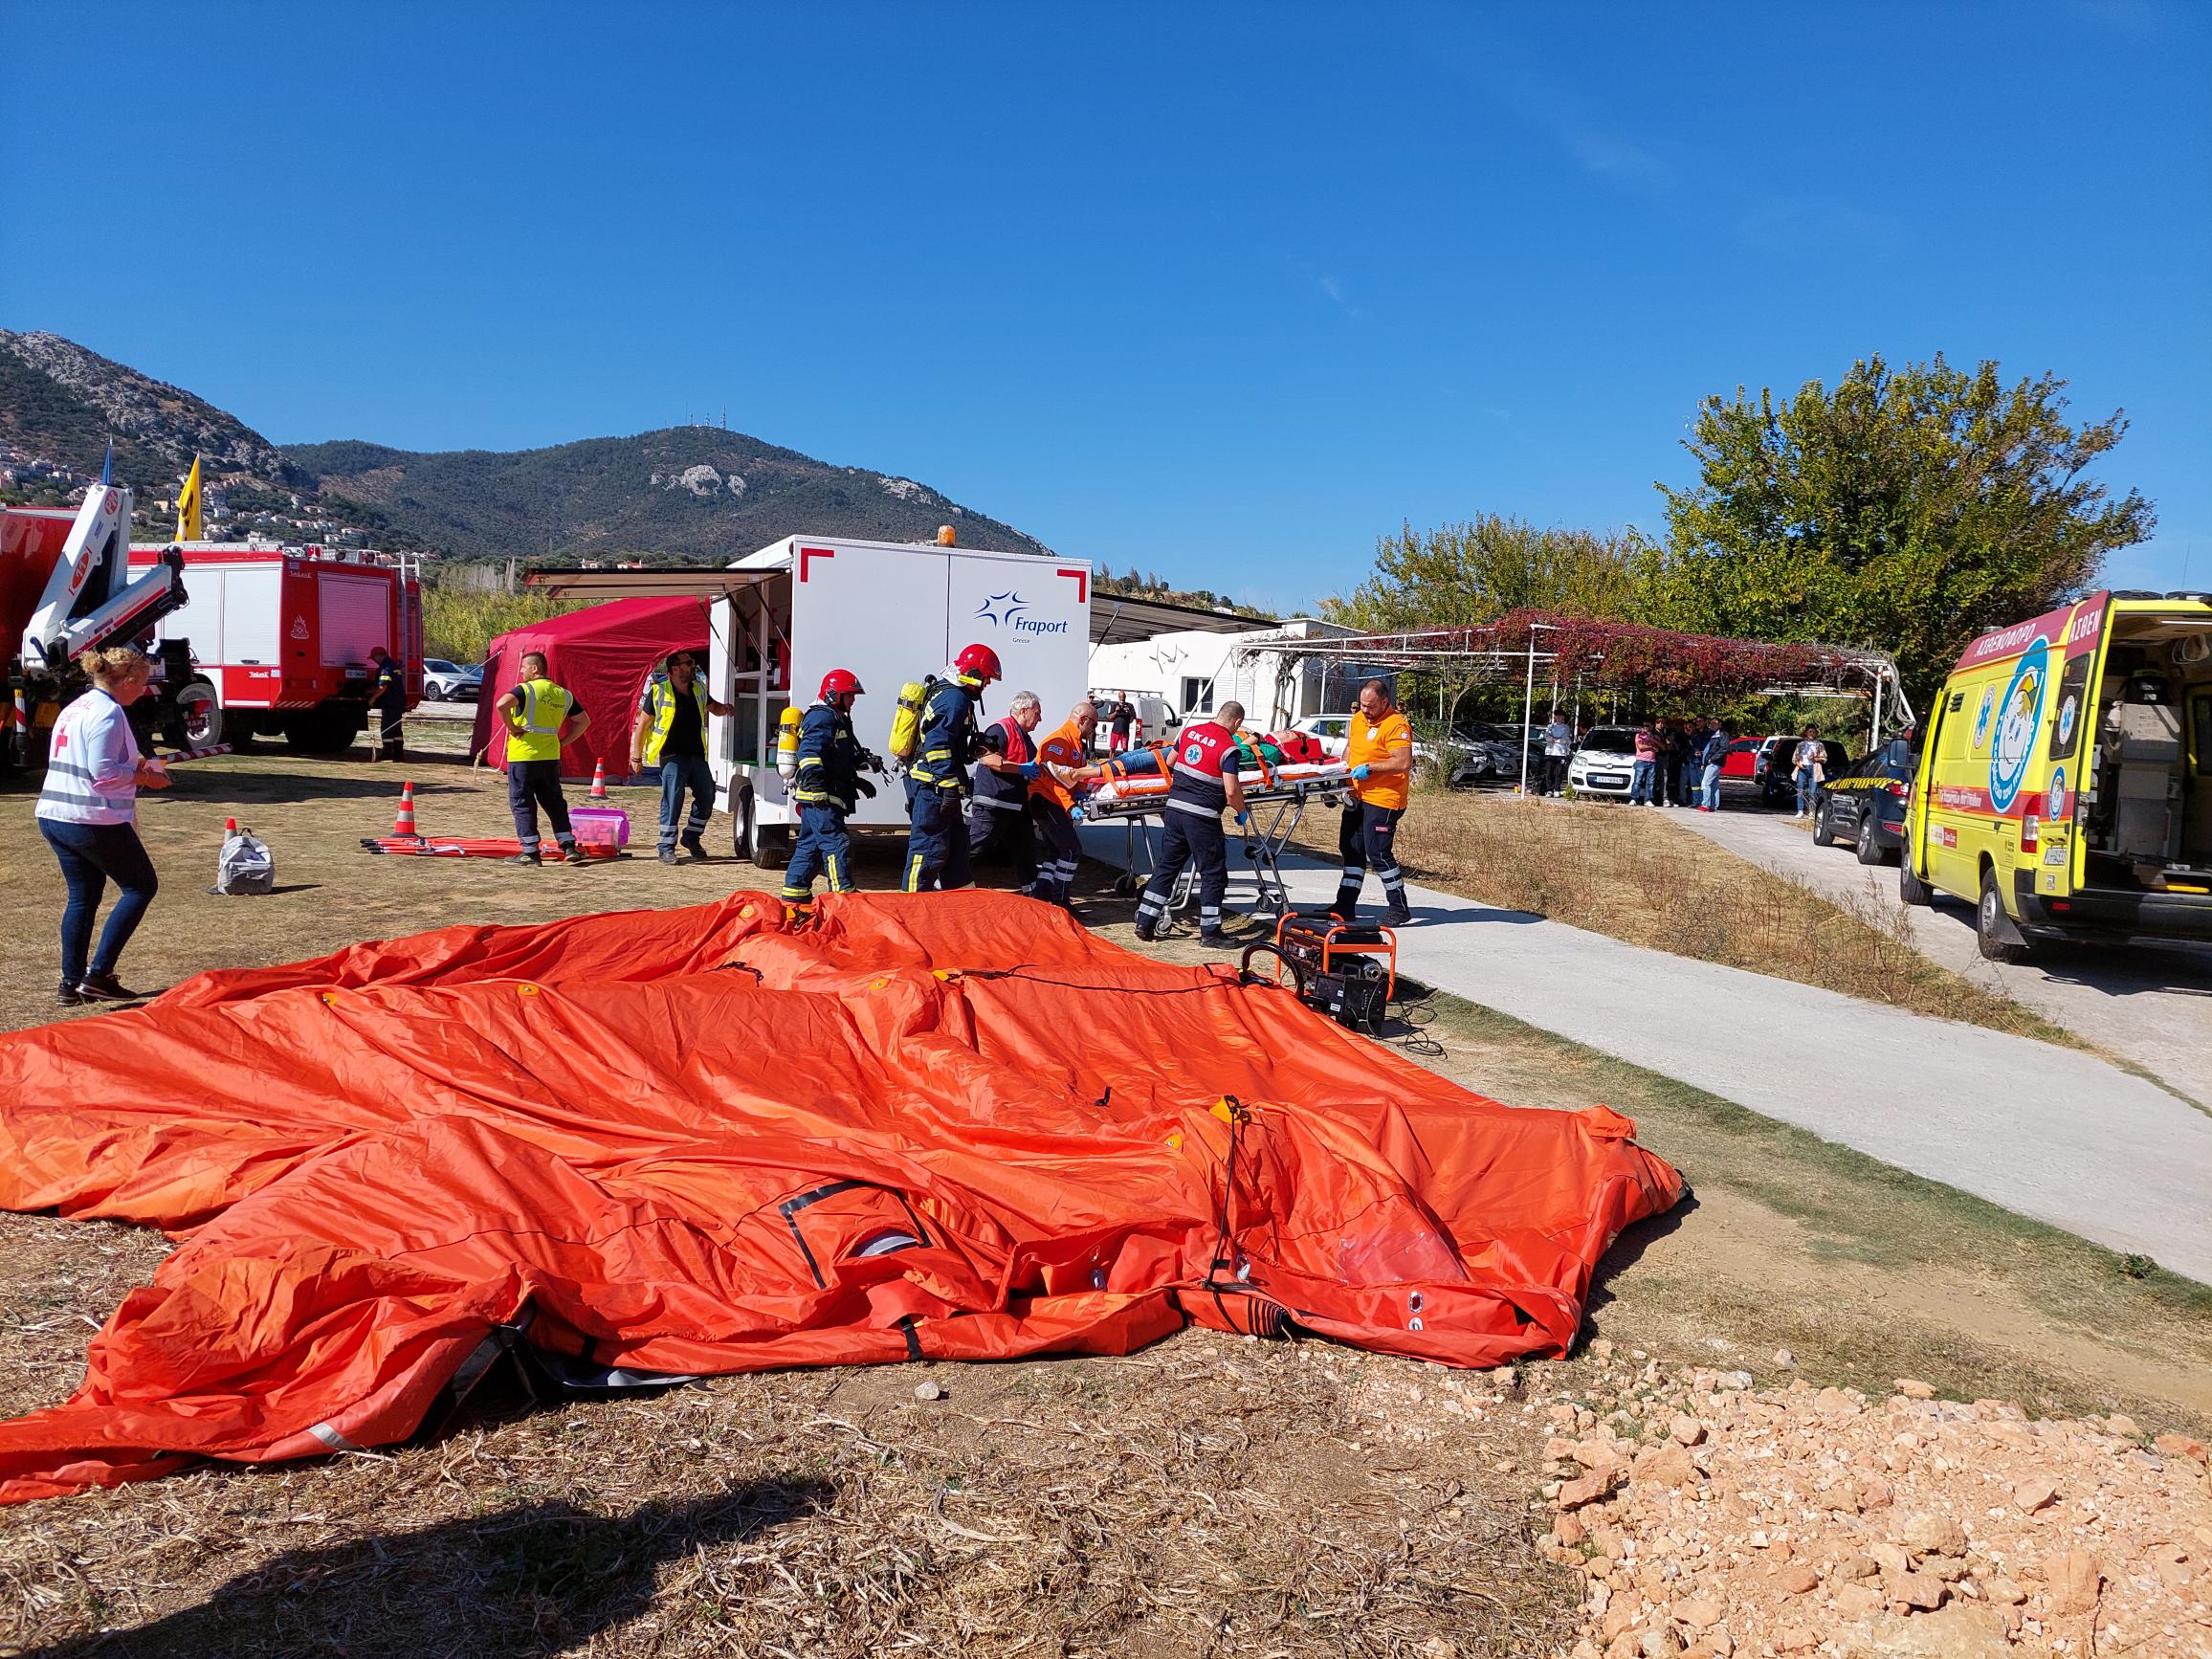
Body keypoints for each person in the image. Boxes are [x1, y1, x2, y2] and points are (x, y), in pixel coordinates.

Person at [36, 646, 170, 1006]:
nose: (144, 690)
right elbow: (104, 773)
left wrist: (137, 765)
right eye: (141, 683)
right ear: (125, 680)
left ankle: (71, 983)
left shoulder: (76, 708)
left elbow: (93, 760)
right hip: (89, 816)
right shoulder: (109, 714)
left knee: (83, 896)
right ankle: (97, 975)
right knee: (140, 886)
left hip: (55, 814)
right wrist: (145, 777)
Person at [1131, 700, 1249, 947]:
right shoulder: (1229, 748)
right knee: (1213, 873)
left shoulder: (1189, 732)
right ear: (1237, 723)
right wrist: (1241, 811)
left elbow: (1171, 762)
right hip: (1202, 817)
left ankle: (1145, 921)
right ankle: (1211, 931)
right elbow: (1231, 790)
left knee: (1167, 867)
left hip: (1174, 811)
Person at [902, 642, 1001, 892]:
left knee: (957, 852)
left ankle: (960, 908)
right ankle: (910, 909)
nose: (987, 685)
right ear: (974, 674)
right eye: (986, 679)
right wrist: (947, 784)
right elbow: (936, 746)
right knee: (928, 851)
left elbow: (947, 743)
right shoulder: (954, 699)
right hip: (933, 788)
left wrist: (971, 748)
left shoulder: (954, 695)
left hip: (943, 788)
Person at [630, 651, 733, 863]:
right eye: (688, 663)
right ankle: (666, 847)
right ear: (675, 668)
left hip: (696, 755)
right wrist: (636, 758)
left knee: (707, 796)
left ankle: (691, 837)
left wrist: (727, 709)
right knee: (673, 800)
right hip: (672, 756)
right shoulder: (659, 692)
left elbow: (714, 708)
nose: (693, 665)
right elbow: (642, 726)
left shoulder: (698, 689)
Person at [781, 669, 873, 903]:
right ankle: (842, 896)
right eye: (849, 695)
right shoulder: (822, 717)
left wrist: (857, 780)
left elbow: (836, 757)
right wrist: (817, 787)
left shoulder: (835, 717)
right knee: (836, 843)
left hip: (822, 795)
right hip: (821, 796)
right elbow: (809, 753)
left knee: (809, 846)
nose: (853, 700)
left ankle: (794, 897)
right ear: (834, 695)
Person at [494, 649, 591, 865]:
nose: (521, 671)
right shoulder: (563, 694)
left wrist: (512, 728)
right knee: (555, 801)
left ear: (534, 668)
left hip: (524, 757)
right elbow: (584, 721)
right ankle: (568, 846)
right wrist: (563, 742)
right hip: (549, 758)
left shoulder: (525, 690)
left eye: (524, 667)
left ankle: (530, 851)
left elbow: (501, 704)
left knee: (522, 802)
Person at [1331, 679, 1415, 925]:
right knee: (1351, 849)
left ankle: (1399, 907)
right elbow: (1351, 749)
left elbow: (1402, 762)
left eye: (1370, 706)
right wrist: (1340, 775)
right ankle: (1345, 905)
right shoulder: (1358, 719)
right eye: (1362, 705)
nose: (1365, 710)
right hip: (1357, 794)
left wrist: (1370, 768)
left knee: (1377, 852)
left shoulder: (1396, 725)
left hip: (1384, 798)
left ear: (1384, 702)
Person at [968, 690, 1046, 896]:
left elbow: (1035, 765)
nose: (1040, 719)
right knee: (977, 843)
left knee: (1026, 850)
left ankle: (1033, 892)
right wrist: (1022, 768)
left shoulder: (1025, 738)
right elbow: (989, 759)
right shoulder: (1000, 729)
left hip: (1016, 806)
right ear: (1023, 710)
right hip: (994, 802)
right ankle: (946, 879)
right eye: (1037, 713)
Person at [1030, 698, 1101, 908]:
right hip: (1045, 799)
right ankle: (1060, 900)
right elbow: (1053, 780)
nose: (1094, 730)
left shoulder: (1075, 741)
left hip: (1054, 801)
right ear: (1083, 720)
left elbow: (1078, 773)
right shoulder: (1058, 742)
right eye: (1094, 725)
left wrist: (1079, 793)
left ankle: (1042, 897)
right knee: (1071, 850)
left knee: (1055, 852)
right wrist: (1071, 806)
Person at [367, 646, 408, 763]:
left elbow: (383, 687)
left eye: (374, 658)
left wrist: (372, 698)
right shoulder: (393, 665)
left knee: (387, 728)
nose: (374, 661)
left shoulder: (385, 668)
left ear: (379, 656)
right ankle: (399, 754)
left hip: (390, 703)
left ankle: (387, 753)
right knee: (396, 729)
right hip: (398, 702)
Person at [1791, 724, 1826, 821]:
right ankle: (1800, 810)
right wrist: (1798, 764)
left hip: (1814, 768)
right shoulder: (1800, 745)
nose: (1812, 734)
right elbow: (1794, 758)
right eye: (1810, 732)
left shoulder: (1819, 745)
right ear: (1806, 733)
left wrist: (1815, 758)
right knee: (1800, 789)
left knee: (1812, 791)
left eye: (1814, 732)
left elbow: (1824, 758)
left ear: (1816, 733)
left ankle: (1812, 811)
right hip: (1802, 768)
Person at [1698, 719, 1732, 812]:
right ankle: (1713, 805)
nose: (1712, 725)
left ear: (1720, 724)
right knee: (1713, 784)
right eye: (1711, 723)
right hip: (1712, 762)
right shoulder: (1712, 734)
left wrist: (1712, 759)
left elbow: (1724, 748)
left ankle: (1705, 805)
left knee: (1705, 783)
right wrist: (1705, 762)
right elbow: (1709, 749)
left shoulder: (1722, 734)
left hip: (1715, 762)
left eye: (1715, 723)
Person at [1541, 708, 1573, 797]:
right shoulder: (1550, 726)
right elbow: (1547, 736)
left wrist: (1555, 740)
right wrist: (1553, 739)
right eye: (1557, 716)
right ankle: (1549, 790)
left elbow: (1565, 739)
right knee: (1549, 772)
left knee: (1559, 773)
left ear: (1563, 717)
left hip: (1561, 753)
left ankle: (1557, 789)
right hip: (1550, 752)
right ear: (1555, 717)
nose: (1558, 718)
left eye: (1560, 716)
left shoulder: (1565, 727)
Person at [1628, 720, 1658, 807]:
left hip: (1652, 761)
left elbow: (1659, 748)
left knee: (1650, 783)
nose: (1646, 728)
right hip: (1641, 761)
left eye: (1648, 726)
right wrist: (1651, 746)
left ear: (1651, 727)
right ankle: (1634, 798)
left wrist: (1653, 739)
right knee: (1637, 781)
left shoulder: (1654, 737)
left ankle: (1648, 799)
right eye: (1644, 726)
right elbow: (1641, 747)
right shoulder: (1639, 736)